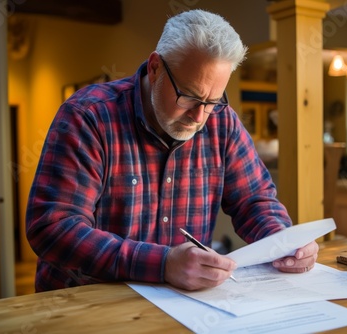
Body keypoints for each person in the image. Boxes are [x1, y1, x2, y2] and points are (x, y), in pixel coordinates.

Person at [26, 9, 319, 292]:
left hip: (183, 307)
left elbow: (254, 201)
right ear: (155, 69)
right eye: (189, 97)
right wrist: (162, 264)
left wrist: (281, 239)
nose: (200, 116)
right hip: (85, 303)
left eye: (213, 100)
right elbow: (54, 228)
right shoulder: (88, 117)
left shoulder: (221, 122)